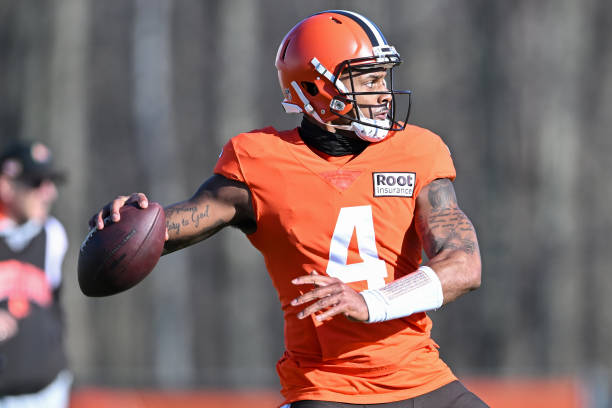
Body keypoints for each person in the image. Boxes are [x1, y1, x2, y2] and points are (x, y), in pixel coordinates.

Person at [91, 10, 487, 407]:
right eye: (368, 81)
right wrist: (130, 222)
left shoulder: (417, 151)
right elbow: (169, 227)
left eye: (383, 78)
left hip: (422, 379)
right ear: (316, 89)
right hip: (327, 388)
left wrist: (371, 302)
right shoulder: (261, 160)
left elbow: (463, 265)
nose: (384, 93)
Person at [0, 141, 72, 408]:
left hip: (48, 391)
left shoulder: (52, 235)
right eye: (36, 182)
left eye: (50, 182)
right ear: (6, 185)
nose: (48, 193)